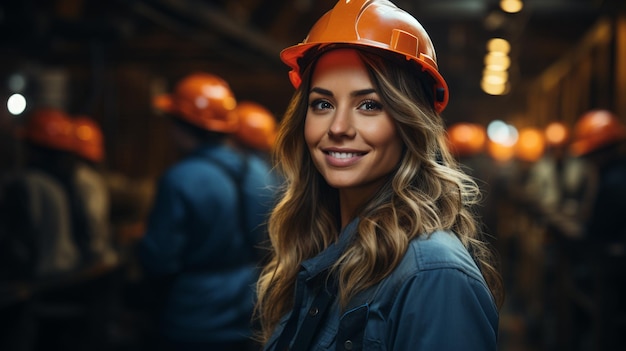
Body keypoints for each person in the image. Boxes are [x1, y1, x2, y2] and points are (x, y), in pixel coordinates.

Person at [254, 1, 503, 350]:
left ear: (409, 123)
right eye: (322, 104)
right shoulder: (325, 244)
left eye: (369, 105)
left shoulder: (434, 276)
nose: (338, 128)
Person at [138, 72, 279, 351]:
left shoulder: (179, 178)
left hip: (194, 317)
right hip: (251, 308)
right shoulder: (259, 171)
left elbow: (160, 257)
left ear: (181, 126)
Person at [71, 115, 118, 265]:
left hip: (88, 261)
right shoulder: (89, 178)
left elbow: (93, 223)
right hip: (95, 258)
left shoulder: (83, 179)